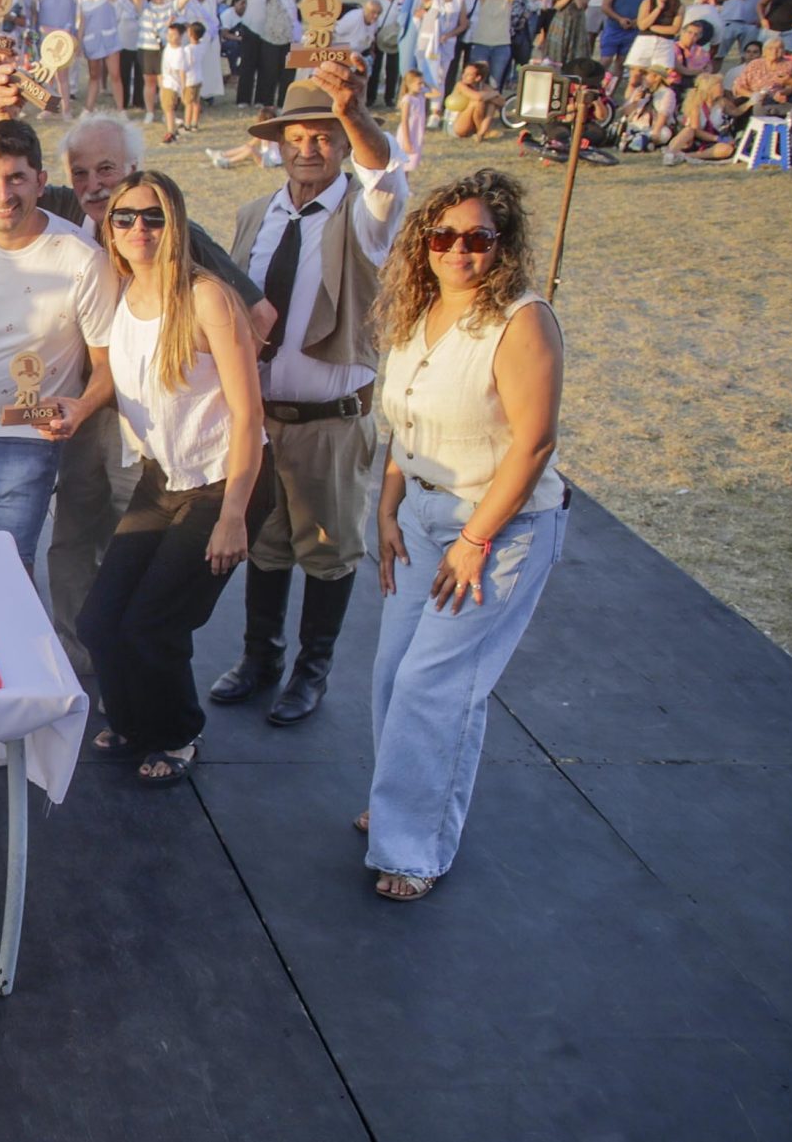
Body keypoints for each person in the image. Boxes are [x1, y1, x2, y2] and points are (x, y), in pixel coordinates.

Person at [363, 169, 566, 900]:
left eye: (477, 237)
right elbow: (402, 425)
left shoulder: (520, 320)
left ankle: (412, 846)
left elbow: (534, 443)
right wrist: (387, 509)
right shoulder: (420, 314)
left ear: (502, 244)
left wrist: (475, 538)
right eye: (443, 236)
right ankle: (398, 802)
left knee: (435, 684)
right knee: (391, 672)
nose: (458, 250)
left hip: (495, 527)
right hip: (419, 515)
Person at [212, 64, 409, 727]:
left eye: (325, 135)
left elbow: (385, 175)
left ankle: (312, 668)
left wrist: (355, 112)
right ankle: (260, 657)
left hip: (330, 423)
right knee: (267, 545)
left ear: (343, 141)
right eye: (298, 135)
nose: (309, 148)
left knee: (327, 548)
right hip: (264, 421)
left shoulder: (364, 214)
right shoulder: (253, 214)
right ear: (278, 142)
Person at [76, 172, 272, 787]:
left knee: (153, 622)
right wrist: (76, 409)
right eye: (126, 217)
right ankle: (135, 722)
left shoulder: (206, 296)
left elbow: (249, 413)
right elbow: (125, 383)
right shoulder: (123, 293)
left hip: (224, 482)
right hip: (163, 480)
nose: (139, 228)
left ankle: (178, 732)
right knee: (99, 622)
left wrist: (235, 515)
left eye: (154, 217)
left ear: (177, 223)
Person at [0, 119, 120, 586]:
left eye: (16, 177)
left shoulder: (82, 258)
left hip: (27, 442)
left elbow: (107, 362)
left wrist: (82, 406)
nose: (3, 193)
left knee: (7, 576)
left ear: (40, 180)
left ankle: (13, 660)